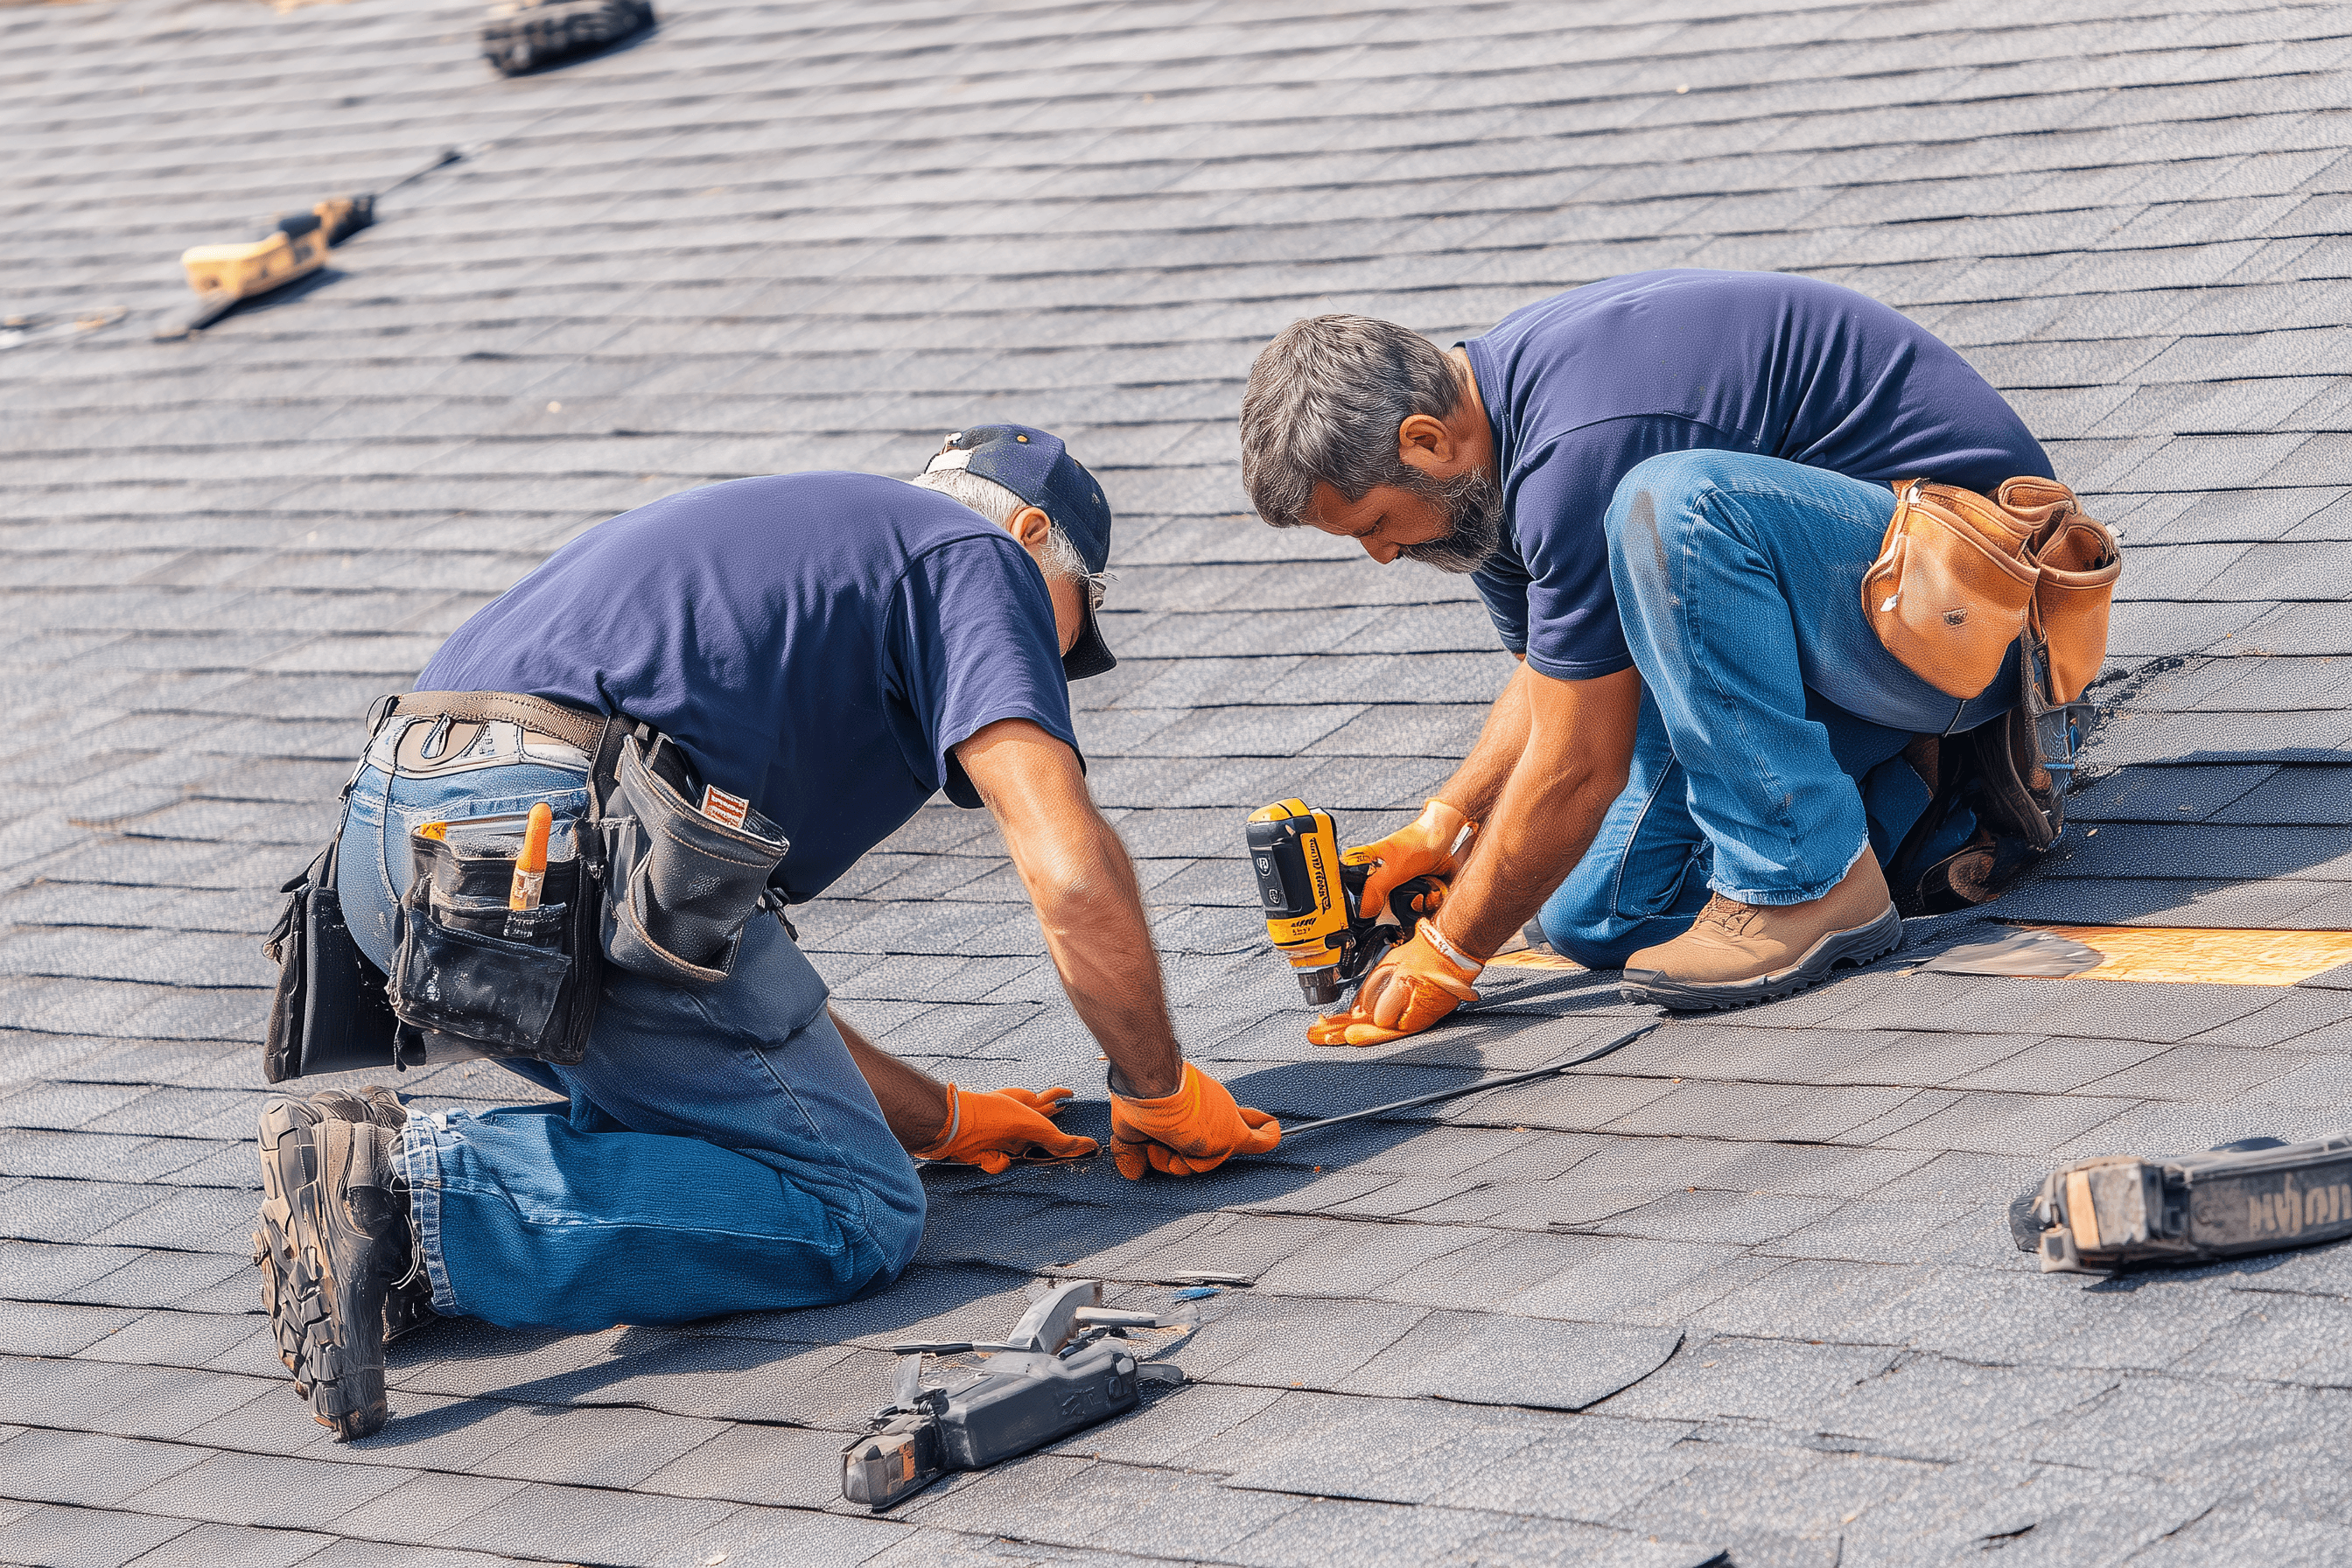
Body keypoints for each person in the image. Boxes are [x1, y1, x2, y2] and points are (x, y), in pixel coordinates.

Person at [255, 425, 1280, 1440]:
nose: (1057, 659)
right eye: (1075, 621)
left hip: (397, 850)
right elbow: (1068, 870)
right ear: (1030, 531)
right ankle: (405, 1193)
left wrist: (943, 1118)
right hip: (547, 839)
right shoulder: (974, 560)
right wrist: (1156, 1089)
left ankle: (379, 1210)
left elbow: (736, 995)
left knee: (719, 1148)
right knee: (857, 1215)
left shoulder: (809, 572)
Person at [1237, 269, 2052, 1041]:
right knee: (1593, 913)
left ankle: (1810, 880)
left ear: (1423, 442)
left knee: (1676, 506)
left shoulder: (1579, 446)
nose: (1379, 555)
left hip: (1975, 613)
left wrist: (1447, 953)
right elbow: (1556, 680)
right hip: (1844, 628)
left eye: (1373, 525)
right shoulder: (1478, 470)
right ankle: (1914, 799)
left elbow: (1579, 766)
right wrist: (1445, 829)